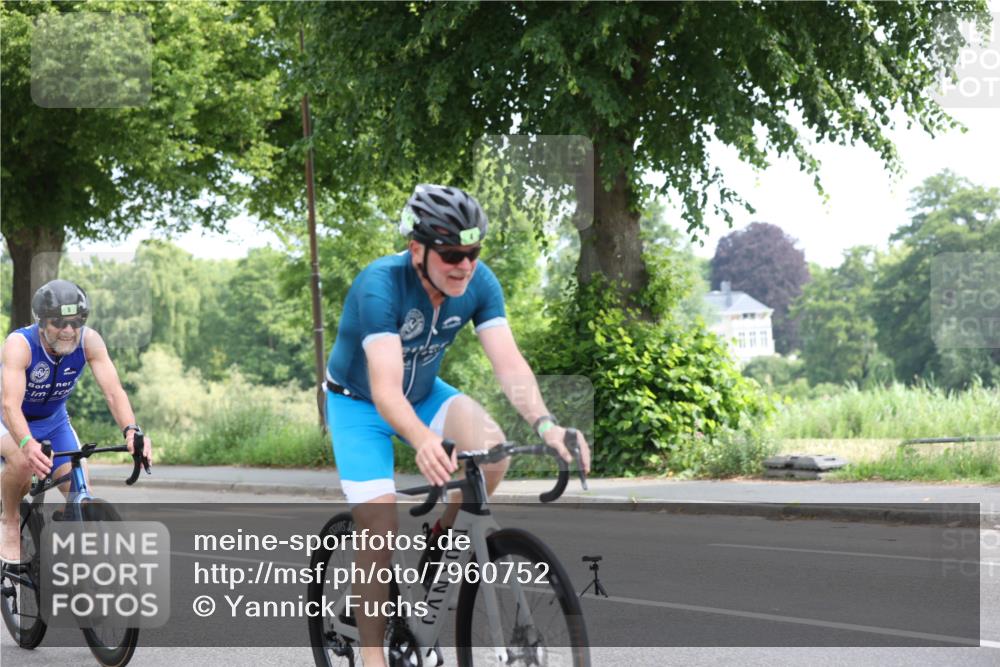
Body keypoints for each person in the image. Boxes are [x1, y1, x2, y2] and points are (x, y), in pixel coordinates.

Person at [325, 183, 591, 666]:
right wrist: (423, 439)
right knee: (379, 528)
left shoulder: (480, 284)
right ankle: (371, 655)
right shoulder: (378, 286)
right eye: (451, 254)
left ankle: (440, 539)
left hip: (425, 393)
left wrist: (547, 425)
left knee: (494, 455)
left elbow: (509, 364)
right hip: (358, 404)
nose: (464, 265)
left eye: (472, 252)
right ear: (417, 249)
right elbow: (384, 389)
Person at [0, 279, 153, 563]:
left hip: (53, 421)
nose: (69, 330)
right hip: (8, 419)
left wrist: (131, 430)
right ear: (42, 322)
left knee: (80, 491)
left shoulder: (89, 341)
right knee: (22, 462)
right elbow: (9, 405)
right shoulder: (20, 344)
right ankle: (9, 521)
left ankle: (67, 546)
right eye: (59, 322)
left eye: (76, 321)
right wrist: (26, 443)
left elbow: (113, 391)